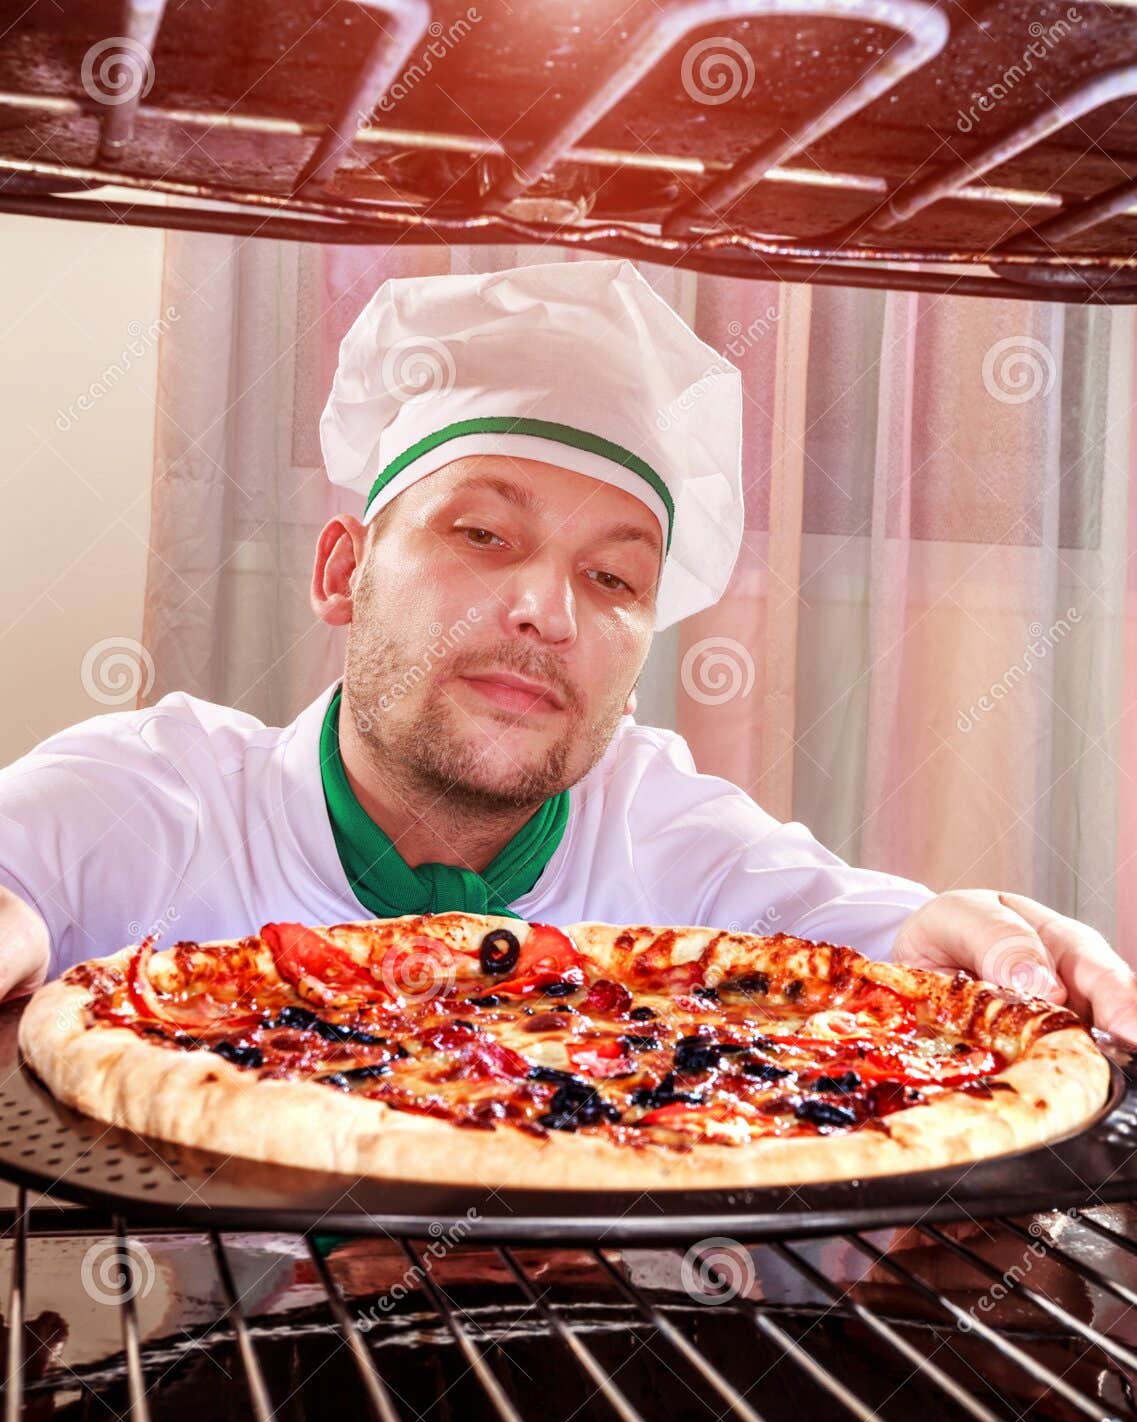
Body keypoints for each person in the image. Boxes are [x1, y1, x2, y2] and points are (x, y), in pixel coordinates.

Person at [2, 259, 1135, 1041]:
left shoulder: (677, 849)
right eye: (483, 533)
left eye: (613, 578)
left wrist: (970, 940)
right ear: (343, 570)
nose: (548, 610)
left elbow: (869, 931)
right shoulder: (147, 799)